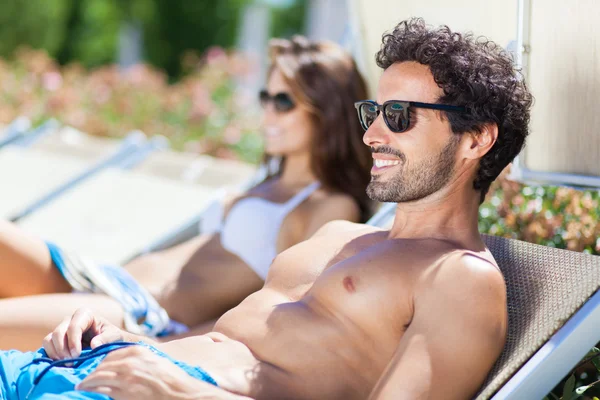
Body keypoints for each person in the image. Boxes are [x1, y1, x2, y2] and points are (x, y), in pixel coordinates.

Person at [0, 18, 533, 399]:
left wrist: (183, 391)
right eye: (373, 111)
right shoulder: (341, 236)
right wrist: (125, 339)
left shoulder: (461, 281)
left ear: (476, 140)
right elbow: (227, 340)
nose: (370, 133)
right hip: (102, 364)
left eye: (398, 115)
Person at [0, 36, 373, 350]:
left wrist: (163, 350)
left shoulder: (329, 204)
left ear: (326, 110)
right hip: (103, 277)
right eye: (266, 96)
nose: (268, 113)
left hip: (139, 315)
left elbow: (285, 311)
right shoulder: (265, 183)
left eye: (284, 101)